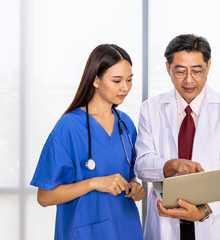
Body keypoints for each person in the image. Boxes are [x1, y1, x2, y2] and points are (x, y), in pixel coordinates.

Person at [134, 34, 220, 240]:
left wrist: (204, 210)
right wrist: (171, 165)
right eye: (180, 71)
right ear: (168, 69)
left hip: (213, 223)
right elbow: (141, 166)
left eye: (196, 71)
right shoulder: (151, 109)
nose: (189, 80)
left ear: (208, 67)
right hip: (165, 223)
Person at [30, 44, 146, 240]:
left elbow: (129, 174)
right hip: (85, 232)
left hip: (126, 228)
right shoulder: (69, 126)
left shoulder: (125, 123)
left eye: (129, 80)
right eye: (116, 80)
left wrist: (134, 185)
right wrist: (94, 183)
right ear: (95, 80)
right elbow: (44, 197)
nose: (125, 87)